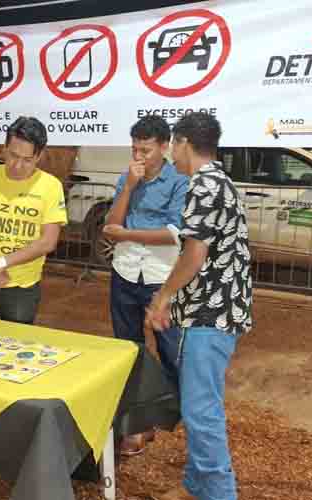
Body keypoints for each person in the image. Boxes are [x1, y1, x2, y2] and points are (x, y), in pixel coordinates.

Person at [145, 112, 252, 500]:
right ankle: (195, 487)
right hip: (214, 311)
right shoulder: (217, 180)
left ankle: (219, 494)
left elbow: (194, 255)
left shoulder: (203, 186)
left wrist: (163, 296)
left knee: (201, 413)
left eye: (173, 144)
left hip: (210, 316)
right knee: (200, 406)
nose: (171, 153)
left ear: (185, 142)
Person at [102, 115, 188, 456]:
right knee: (128, 350)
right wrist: (128, 188)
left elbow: (173, 235)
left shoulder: (179, 180)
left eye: (147, 150)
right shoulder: (128, 178)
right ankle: (136, 425)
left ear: (164, 147)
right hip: (124, 273)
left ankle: (169, 416)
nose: (139, 156)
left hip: (160, 278)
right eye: (135, 149)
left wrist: (127, 235)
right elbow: (111, 223)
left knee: (170, 352)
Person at [0, 116, 67, 324]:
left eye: (27, 160)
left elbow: (48, 241)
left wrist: (1, 263)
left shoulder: (51, 186)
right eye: (13, 155)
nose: (17, 165)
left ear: (39, 156)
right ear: (4, 148)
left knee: (15, 351)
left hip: (21, 289)